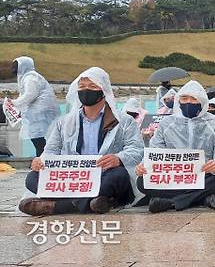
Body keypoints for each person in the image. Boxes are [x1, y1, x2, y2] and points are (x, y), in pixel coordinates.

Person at [19, 67, 144, 216]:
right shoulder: (64, 122)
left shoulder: (124, 121)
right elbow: (51, 150)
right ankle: (97, 202)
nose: (86, 91)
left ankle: (58, 206)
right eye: (82, 87)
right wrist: (41, 161)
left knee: (118, 176)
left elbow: (137, 149)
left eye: (92, 87)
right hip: (74, 177)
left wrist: (118, 158)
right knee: (32, 178)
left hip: (104, 174)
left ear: (104, 90)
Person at [136, 80, 215, 212]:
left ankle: (171, 201)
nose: (188, 102)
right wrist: (144, 165)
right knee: (141, 182)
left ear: (202, 102)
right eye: (184, 98)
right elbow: (154, 150)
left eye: (194, 99)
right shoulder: (167, 124)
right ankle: (200, 197)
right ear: (178, 101)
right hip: (173, 176)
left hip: (204, 174)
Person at [8, 56, 59, 157]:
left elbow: (30, 94)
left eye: (16, 66)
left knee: (37, 136)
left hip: (41, 111)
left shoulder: (31, 77)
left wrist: (15, 103)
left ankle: (44, 159)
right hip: (37, 110)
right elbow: (24, 94)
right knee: (36, 136)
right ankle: (43, 158)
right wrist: (15, 103)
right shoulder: (25, 77)